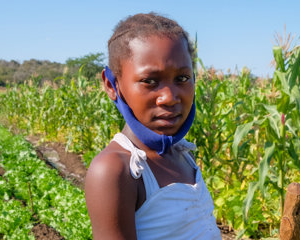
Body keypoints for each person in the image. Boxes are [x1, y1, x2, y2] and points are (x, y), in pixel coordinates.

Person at [85, 12, 221, 240]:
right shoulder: (117, 170)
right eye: (149, 81)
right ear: (111, 85)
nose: (169, 97)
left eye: (183, 79)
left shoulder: (181, 153)